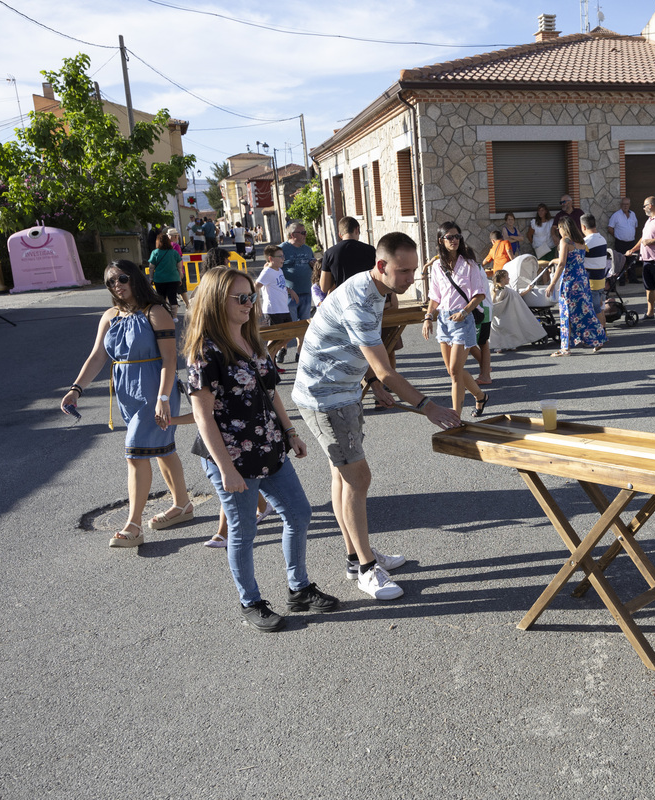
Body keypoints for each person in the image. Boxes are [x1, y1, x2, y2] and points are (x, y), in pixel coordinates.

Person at [294, 233, 461, 601]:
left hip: (341, 389)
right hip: (325, 396)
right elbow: (386, 369)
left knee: (343, 475)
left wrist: (371, 382)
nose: (409, 278)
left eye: (414, 270)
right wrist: (428, 407)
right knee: (358, 476)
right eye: (403, 270)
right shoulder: (360, 299)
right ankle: (368, 570)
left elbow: (359, 352)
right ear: (381, 266)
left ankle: (357, 557)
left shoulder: (375, 291)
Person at [185, 266, 337, 632]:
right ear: (216, 301)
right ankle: (250, 601)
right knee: (242, 531)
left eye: (251, 296)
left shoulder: (252, 340)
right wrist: (226, 469)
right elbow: (203, 417)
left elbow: (270, 393)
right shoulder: (205, 352)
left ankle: (298, 589)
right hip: (231, 456)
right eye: (241, 298)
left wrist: (290, 432)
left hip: (269, 446)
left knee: (299, 513)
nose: (250, 304)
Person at [60, 260, 191, 547]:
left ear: (134, 279)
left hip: (155, 390)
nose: (116, 285)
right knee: (161, 448)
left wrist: (163, 398)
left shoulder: (156, 312)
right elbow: (97, 356)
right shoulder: (110, 316)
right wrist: (76, 389)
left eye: (121, 278)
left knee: (136, 453)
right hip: (127, 392)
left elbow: (170, 360)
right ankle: (182, 505)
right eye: (110, 282)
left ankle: (133, 526)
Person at [423, 222, 491, 416]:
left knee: (454, 371)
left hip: (463, 318)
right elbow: (435, 296)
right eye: (449, 237)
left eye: (457, 237)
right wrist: (428, 317)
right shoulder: (436, 265)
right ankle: (480, 396)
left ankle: (456, 417)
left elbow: (479, 295)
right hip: (444, 320)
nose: (454, 240)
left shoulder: (469, 264)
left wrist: (464, 312)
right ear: (441, 240)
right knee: (454, 371)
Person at [546, 216, 607, 356]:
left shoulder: (565, 241)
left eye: (558, 228)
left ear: (563, 228)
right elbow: (573, 259)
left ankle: (565, 348)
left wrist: (552, 283)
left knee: (566, 313)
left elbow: (562, 264)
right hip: (582, 280)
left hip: (569, 281)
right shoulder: (580, 242)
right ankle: (598, 338)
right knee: (586, 311)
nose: (558, 231)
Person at [626, 196, 655, 322]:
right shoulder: (649, 220)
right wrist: (633, 249)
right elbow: (643, 238)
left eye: (644, 206)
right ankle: (650, 313)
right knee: (649, 288)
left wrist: (652, 241)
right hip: (647, 259)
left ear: (650, 205)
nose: (643, 208)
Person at [258, 244, 300, 368]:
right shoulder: (268, 271)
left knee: (288, 334)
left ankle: (271, 361)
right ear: (271, 259)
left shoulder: (279, 270)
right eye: (280, 256)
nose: (283, 259)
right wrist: (256, 305)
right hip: (273, 310)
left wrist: (290, 290)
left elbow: (278, 285)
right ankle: (270, 364)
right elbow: (256, 285)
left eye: (283, 256)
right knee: (275, 338)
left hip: (283, 309)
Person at [279, 221, 315, 362]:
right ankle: (283, 348)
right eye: (303, 233)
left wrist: (314, 265)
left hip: (306, 292)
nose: (305, 235)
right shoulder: (282, 249)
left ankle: (299, 353)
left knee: (303, 325)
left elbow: (314, 265)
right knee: (290, 326)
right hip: (289, 295)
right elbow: (274, 270)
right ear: (293, 234)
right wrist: (286, 289)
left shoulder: (307, 249)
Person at [488, 268, 547, 351]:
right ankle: (510, 344)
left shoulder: (493, 289)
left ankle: (499, 346)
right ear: (502, 279)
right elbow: (517, 295)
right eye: (507, 277)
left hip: (497, 315)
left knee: (498, 331)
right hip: (507, 316)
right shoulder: (506, 291)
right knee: (510, 329)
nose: (509, 278)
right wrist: (527, 290)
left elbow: (495, 302)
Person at [320, 216, 376, 296]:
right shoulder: (370, 250)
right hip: (366, 298)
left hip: (343, 300)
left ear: (340, 234)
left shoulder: (329, 253)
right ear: (357, 230)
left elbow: (324, 287)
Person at [580, 214, 610, 329]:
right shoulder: (601, 239)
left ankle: (599, 334)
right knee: (600, 307)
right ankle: (603, 331)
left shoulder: (586, 242)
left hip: (591, 281)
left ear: (583, 227)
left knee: (595, 309)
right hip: (601, 280)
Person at [148, 232, 187, 320]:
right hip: (173, 278)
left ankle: (163, 315)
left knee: (161, 298)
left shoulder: (155, 252)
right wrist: (180, 277)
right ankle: (174, 316)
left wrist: (151, 278)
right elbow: (179, 267)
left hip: (159, 279)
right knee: (172, 297)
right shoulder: (174, 253)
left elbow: (151, 267)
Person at [607, 197, 639, 284]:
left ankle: (633, 279)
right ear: (621, 205)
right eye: (624, 204)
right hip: (620, 242)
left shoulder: (633, 214)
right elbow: (610, 228)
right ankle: (621, 280)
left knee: (632, 261)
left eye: (627, 204)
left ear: (629, 205)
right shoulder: (616, 215)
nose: (625, 206)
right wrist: (617, 236)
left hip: (631, 242)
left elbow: (635, 226)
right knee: (621, 261)